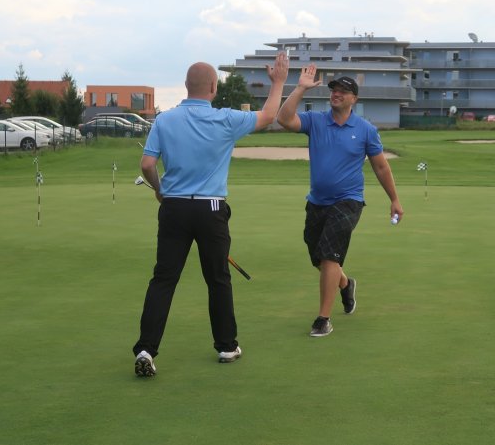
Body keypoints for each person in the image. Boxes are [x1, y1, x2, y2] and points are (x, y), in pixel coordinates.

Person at [132, 52, 289, 377]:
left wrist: (160, 189)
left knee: (163, 279)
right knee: (217, 279)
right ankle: (227, 346)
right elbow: (270, 115)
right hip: (211, 209)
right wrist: (279, 82)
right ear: (213, 88)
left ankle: (147, 348)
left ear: (186, 87)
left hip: (174, 207)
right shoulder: (226, 119)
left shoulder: (165, 120)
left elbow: (147, 165)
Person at [277, 65, 403, 337]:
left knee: (329, 254)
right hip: (317, 201)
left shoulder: (366, 130)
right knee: (319, 258)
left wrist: (394, 199)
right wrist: (299, 88)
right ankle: (345, 285)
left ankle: (323, 319)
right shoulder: (315, 121)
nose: (336, 94)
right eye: (334, 90)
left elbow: (381, 167)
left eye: (344, 91)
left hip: (349, 200)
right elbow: (284, 119)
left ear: (354, 99)